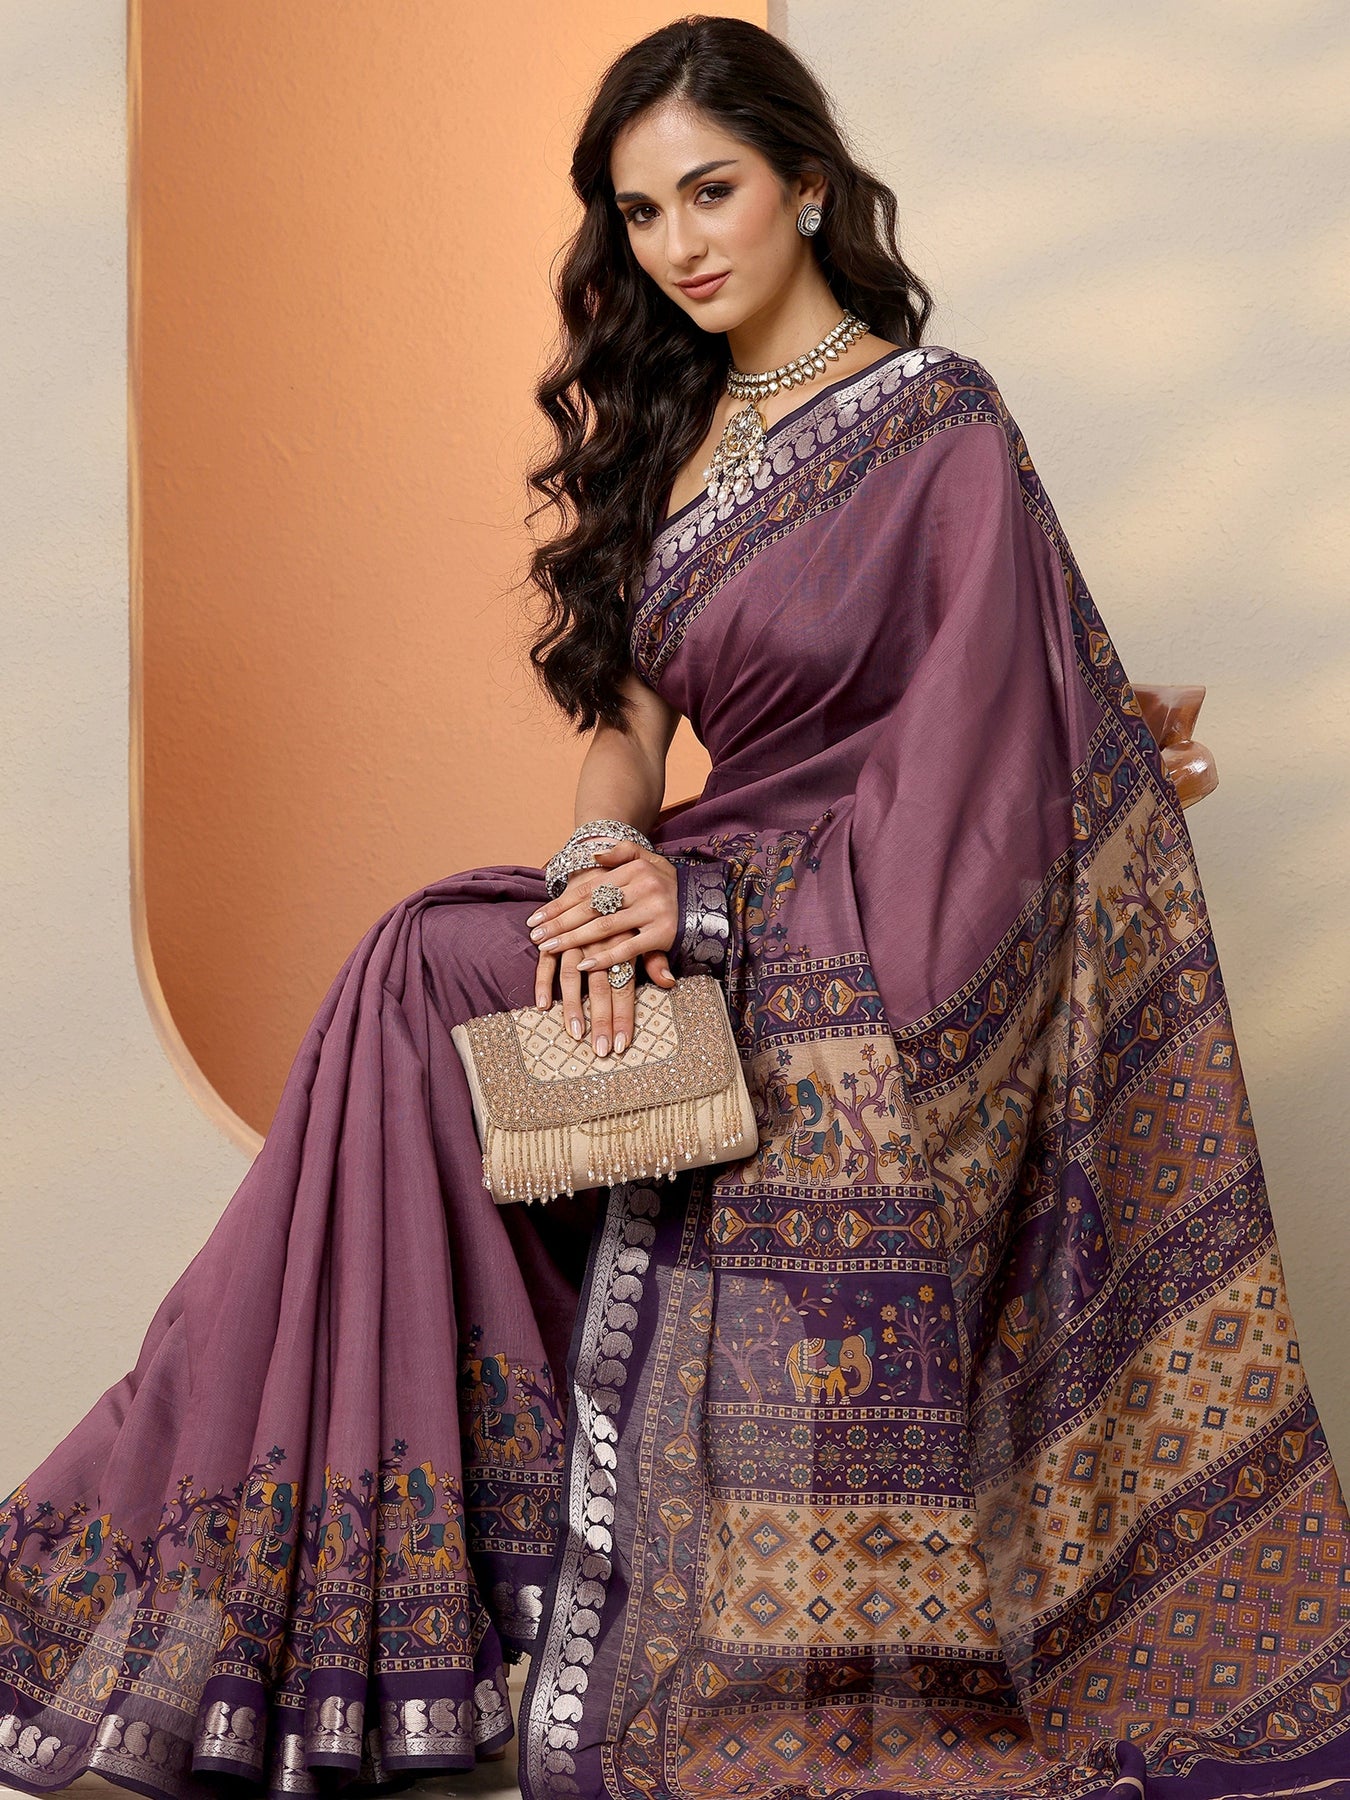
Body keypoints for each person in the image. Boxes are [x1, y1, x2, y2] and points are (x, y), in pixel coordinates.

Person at [3, 14, 1348, 1800]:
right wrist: (597, 883)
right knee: (422, 965)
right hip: (692, 882)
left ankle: (353, 1616)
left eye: (711, 192)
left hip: (842, 929)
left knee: (415, 964)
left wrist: (713, 912)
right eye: (641, 215)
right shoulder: (666, 433)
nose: (680, 245)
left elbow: (975, 766)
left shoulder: (937, 422)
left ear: (808, 183)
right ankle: (369, 1617)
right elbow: (626, 738)